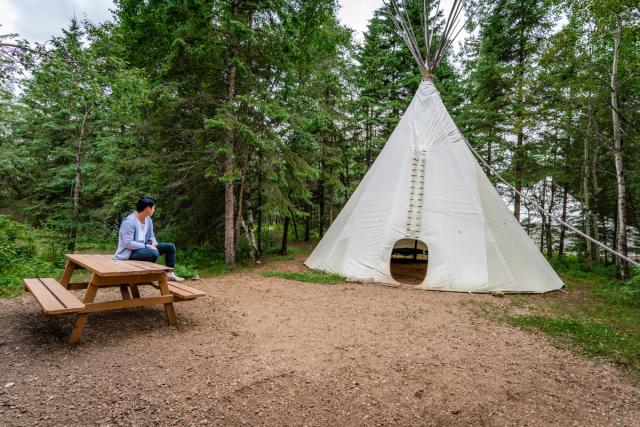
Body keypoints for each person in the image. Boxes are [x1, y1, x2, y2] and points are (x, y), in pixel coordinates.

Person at [113, 196, 185, 282]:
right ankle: (148, 275)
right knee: (153, 253)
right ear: (147, 208)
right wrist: (148, 246)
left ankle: (170, 274)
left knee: (170, 247)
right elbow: (128, 243)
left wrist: (154, 242)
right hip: (129, 252)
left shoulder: (148, 220)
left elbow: (151, 235)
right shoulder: (129, 222)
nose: (154, 210)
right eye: (153, 208)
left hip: (144, 247)